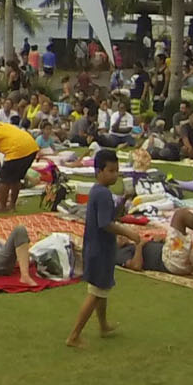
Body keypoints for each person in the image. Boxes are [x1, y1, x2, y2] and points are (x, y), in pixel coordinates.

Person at [68, 148, 125, 349]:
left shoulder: (99, 191)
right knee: (96, 293)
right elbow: (105, 224)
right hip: (100, 249)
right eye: (111, 170)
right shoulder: (102, 194)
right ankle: (74, 335)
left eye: (117, 170)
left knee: (102, 289)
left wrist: (122, 202)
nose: (115, 175)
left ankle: (103, 325)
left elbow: (109, 217)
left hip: (99, 248)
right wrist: (129, 233)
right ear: (99, 171)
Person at [121, 207, 193, 285]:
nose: (121, 236)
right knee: (180, 214)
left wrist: (158, 241)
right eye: (116, 236)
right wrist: (140, 245)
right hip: (170, 262)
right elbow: (136, 266)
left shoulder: (128, 244)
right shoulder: (119, 252)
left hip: (180, 260)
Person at [0, 114, 40, 212]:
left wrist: (0, 168)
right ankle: (12, 206)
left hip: (17, 149)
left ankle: (2, 206)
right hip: (31, 146)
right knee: (16, 179)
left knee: (4, 178)